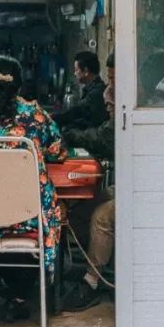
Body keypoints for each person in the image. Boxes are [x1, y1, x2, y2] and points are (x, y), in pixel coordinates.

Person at [0, 55, 68, 322]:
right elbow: (57, 150)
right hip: (28, 218)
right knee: (54, 215)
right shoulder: (35, 115)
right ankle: (20, 294)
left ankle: (7, 291)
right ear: (20, 86)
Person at [61, 53, 116, 312]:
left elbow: (105, 138)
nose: (111, 84)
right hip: (125, 186)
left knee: (102, 216)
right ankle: (95, 264)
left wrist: (70, 136)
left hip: (146, 189)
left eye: (116, 77)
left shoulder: (129, 105)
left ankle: (92, 281)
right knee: (80, 209)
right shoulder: (110, 96)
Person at [53, 50, 107, 131]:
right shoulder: (90, 89)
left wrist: (54, 117)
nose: (75, 73)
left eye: (76, 70)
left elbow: (78, 111)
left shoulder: (97, 92)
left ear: (85, 71)